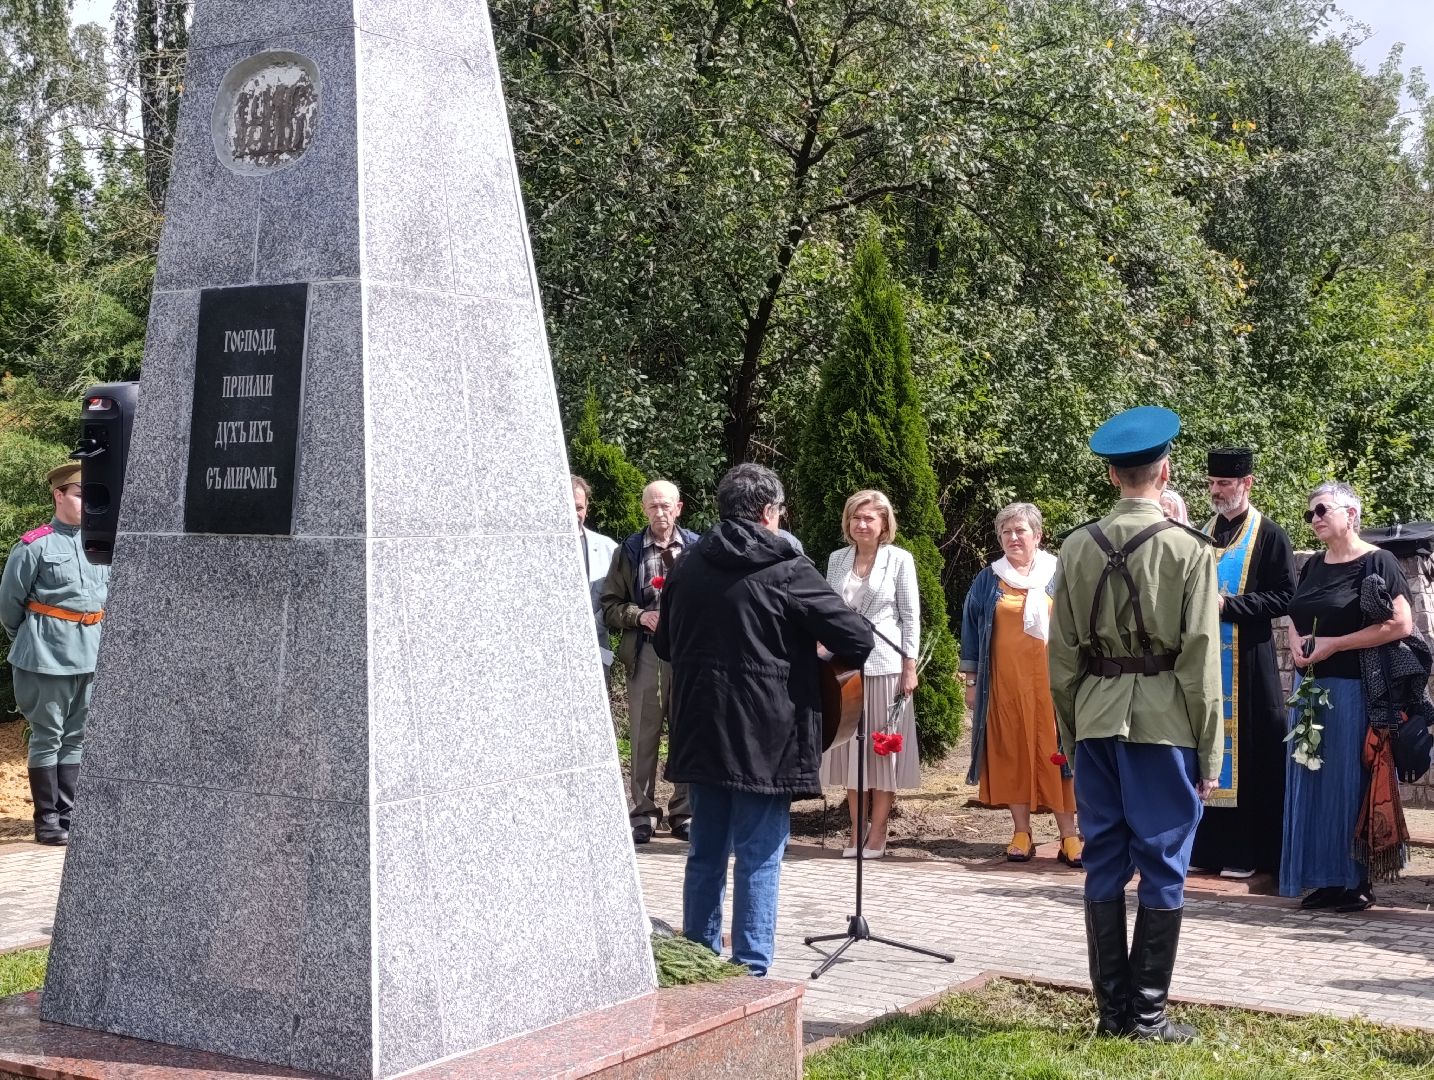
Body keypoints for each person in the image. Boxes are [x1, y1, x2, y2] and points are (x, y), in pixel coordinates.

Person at [655, 464, 873, 975]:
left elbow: (664, 643)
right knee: (759, 858)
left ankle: (698, 963)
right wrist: (810, 652)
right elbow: (857, 640)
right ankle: (751, 972)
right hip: (765, 738)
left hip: (702, 731)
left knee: (705, 853)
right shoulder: (788, 569)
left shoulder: (687, 567)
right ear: (769, 513)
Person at [1048, 406, 1222, 1043]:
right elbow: (1202, 657)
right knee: (1164, 863)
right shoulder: (1188, 549)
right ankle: (1146, 1018)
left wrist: (1070, 735)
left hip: (1094, 721)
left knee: (1102, 862)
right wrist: (1212, 751)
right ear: (1164, 470)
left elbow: (1061, 656)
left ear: (1114, 475)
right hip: (1163, 725)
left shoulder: (1073, 546)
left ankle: (1114, 1014)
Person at [1283, 481, 1412, 913]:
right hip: (1311, 690)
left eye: (1322, 509)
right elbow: (1295, 614)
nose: (1315, 518)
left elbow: (1400, 625)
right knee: (1313, 784)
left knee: (1347, 785)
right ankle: (1323, 878)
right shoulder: (1313, 566)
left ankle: (1354, 882)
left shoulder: (1379, 561)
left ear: (1351, 513)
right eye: (1310, 513)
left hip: (1355, 689)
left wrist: (1335, 644)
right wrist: (1295, 644)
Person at [1189, 448, 1295, 880]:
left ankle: (1249, 852)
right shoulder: (1201, 532)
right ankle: (1208, 848)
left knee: (1252, 749)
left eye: (1225, 484)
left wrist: (1229, 605)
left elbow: (1287, 595)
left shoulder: (1270, 535)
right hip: (1206, 660)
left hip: (1248, 662)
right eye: (1212, 484)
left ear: (1247, 484)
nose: (1217, 492)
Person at [960, 502, 1081, 867]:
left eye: (1020, 531)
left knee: (1060, 755)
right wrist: (971, 679)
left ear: (1038, 535)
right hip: (1005, 686)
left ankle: (1069, 835)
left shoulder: (1059, 574)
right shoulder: (988, 580)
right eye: (1006, 532)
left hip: (1052, 685)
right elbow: (970, 629)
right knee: (1011, 751)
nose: (1013, 538)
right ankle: (1021, 832)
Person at [0, 463, 110, 846]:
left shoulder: (99, 543)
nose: (86, 502)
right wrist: (33, 639)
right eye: (80, 494)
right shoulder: (35, 545)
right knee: (48, 735)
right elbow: (10, 607)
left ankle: (69, 813)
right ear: (59, 495)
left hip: (91, 652)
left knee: (78, 736)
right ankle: (47, 819)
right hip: (44, 656)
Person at [819, 490, 921, 859]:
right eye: (856, 518)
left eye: (869, 519)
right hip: (845, 667)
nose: (862, 525)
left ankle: (878, 833)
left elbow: (911, 617)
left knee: (881, 750)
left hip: (886, 666)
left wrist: (910, 667)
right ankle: (854, 830)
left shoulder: (899, 560)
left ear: (883, 525)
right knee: (849, 750)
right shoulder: (837, 559)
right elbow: (829, 609)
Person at [601, 480, 700, 844]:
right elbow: (609, 605)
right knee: (643, 734)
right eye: (653, 506)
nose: (660, 512)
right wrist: (640, 615)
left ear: (679, 508)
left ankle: (683, 811)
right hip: (645, 651)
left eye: (666, 506)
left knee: (686, 731)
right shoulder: (629, 550)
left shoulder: (696, 547)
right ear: (644, 509)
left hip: (687, 654)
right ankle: (642, 812)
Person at [572, 476, 618, 670]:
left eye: (578, 507)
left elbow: (619, 598)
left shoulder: (608, 548)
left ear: (587, 507)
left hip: (596, 648)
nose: (573, 513)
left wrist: (594, 625)